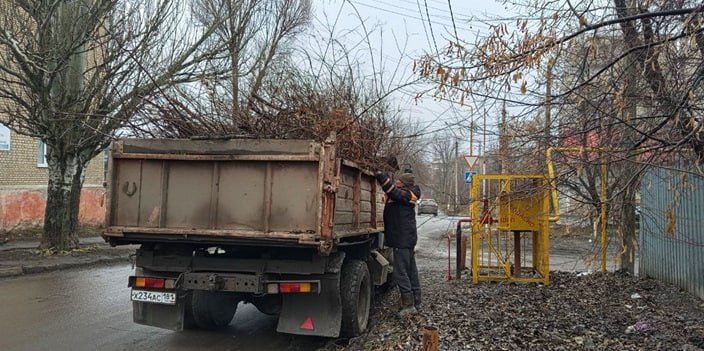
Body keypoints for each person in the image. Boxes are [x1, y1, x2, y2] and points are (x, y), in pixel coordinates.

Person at [375, 170, 422, 317]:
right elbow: (393, 192)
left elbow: (393, 192)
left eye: (399, 181)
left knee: (400, 272)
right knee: (410, 270)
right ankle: (416, 300)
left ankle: (408, 305)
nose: (396, 182)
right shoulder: (407, 194)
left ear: (404, 183)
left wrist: (381, 175)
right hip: (405, 239)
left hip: (402, 239)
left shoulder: (407, 194)